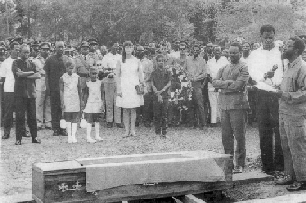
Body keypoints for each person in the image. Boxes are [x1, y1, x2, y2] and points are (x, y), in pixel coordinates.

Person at [248, 24, 284, 175]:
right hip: (262, 94)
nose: (268, 40)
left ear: (274, 36)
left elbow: (284, 72)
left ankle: (280, 164)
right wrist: (265, 76)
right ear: (261, 37)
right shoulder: (254, 55)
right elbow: (254, 75)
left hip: (277, 94)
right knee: (264, 129)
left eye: (271, 37)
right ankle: (267, 165)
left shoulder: (281, 53)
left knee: (279, 129)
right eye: (265, 37)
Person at [274, 37, 306, 191]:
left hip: (295, 114)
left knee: (297, 147)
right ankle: (289, 176)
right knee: (286, 146)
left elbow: (304, 92)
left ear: (296, 50)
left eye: (288, 45)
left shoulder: (303, 67)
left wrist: (286, 95)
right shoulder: (288, 66)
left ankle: (303, 179)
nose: (284, 47)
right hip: (284, 112)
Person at [212, 42, 249, 173]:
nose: (232, 55)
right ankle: (228, 162)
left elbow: (239, 85)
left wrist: (223, 85)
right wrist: (228, 83)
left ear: (240, 53)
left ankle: (240, 163)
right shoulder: (224, 67)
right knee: (226, 136)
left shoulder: (244, 67)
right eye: (230, 52)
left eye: (235, 52)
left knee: (239, 135)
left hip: (238, 105)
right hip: (224, 105)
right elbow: (214, 82)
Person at [12, 44, 41, 145]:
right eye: (24, 52)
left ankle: (35, 137)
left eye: (28, 52)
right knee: (20, 117)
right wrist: (30, 73)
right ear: (20, 53)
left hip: (31, 94)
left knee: (32, 117)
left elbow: (38, 75)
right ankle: (18, 139)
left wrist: (25, 74)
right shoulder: (16, 62)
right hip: (20, 93)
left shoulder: (32, 63)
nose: (26, 54)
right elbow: (18, 74)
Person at [116, 41, 144, 138]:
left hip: (133, 86)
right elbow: (118, 76)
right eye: (126, 47)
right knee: (125, 109)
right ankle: (126, 130)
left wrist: (142, 84)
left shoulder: (137, 60)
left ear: (133, 49)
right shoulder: (120, 60)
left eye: (130, 47)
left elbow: (141, 75)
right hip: (124, 86)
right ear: (124, 49)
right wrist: (119, 89)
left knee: (133, 109)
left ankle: (132, 130)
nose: (128, 49)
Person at [45, 41, 69, 136]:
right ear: (55, 48)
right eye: (59, 47)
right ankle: (55, 128)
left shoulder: (66, 59)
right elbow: (47, 75)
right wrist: (48, 88)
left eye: (62, 47)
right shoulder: (50, 60)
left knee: (63, 109)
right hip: (54, 88)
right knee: (54, 108)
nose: (61, 49)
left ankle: (63, 128)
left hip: (64, 89)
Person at [185, 44, 208, 129]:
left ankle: (203, 124)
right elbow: (184, 70)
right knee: (190, 103)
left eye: (197, 50)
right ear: (192, 50)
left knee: (200, 103)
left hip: (197, 83)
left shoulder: (202, 60)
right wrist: (189, 77)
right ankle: (191, 123)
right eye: (194, 50)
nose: (195, 51)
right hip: (189, 83)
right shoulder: (187, 60)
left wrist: (196, 78)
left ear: (199, 51)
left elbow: (204, 73)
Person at [0, 41, 19, 139]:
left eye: (19, 49)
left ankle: (23, 130)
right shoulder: (5, 63)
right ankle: (6, 132)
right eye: (16, 49)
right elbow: (2, 78)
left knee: (21, 111)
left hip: (20, 89)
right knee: (8, 112)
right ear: (11, 50)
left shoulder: (21, 61)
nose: (18, 51)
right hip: (9, 89)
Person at [59, 59, 82, 143]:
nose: (70, 70)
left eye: (72, 68)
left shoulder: (77, 77)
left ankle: (73, 135)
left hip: (75, 98)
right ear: (66, 68)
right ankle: (69, 136)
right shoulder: (62, 78)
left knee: (74, 118)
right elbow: (61, 90)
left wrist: (81, 100)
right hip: (67, 99)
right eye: (69, 68)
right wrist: (62, 101)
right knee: (68, 117)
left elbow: (80, 90)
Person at [102, 43, 123, 128]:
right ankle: (109, 120)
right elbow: (103, 68)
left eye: (117, 48)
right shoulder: (106, 57)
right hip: (108, 79)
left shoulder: (120, 57)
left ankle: (118, 121)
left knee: (117, 100)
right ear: (111, 47)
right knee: (109, 100)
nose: (116, 49)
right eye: (114, 47)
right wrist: (109, 72)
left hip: (117, 80)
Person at [207, 46, 229, 127]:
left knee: (221, 103)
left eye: (218, 51)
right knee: (213, 104)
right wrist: (213, 84)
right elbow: (208, 75)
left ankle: (222, 120)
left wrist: (219, 84)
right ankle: (213, 121)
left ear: (221, 52)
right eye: (215, 50)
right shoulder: (210, 61)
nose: (217, 52)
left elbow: (226, 74)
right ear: (213, 51)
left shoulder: (225, 61)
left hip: (221, 85)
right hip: (211, 85)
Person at [32, 42, 52, 130]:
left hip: (49, 81)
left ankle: (48, 121)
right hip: (39, 81)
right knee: (39, 102)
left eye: (47, 49)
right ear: (40, 50)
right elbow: (37, 71)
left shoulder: (51, 59)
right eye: (44, 49)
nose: (45, 51)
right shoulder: (35, 60)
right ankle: (38, 122)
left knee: (48, 102)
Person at [151, 54, 171, 136]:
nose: (161, 63)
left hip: (165, 95)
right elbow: (152, 84)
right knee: (157, 114)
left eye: (162, 61)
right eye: (159, 61)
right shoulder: (154, 73)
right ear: (156, 62)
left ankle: (164, 132)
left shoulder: (167, 72)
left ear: (164, 62)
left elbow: (169, 82)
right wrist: (157, 93)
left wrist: (163, 90)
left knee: (164, 114)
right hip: (156, 95)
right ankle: (157, 132)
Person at [83, 67, 104, 143]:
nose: (94, 75)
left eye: (95, 74)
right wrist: (84, 104)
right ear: (89, 74)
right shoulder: (87, 83)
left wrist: (102, 103)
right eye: (92, 74)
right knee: (89, 120)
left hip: (97, 103)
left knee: (97, 120)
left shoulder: (100, 83)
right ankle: (88, 137)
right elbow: (85, 95)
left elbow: (102, 94)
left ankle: (97, 135)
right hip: (90, 103)